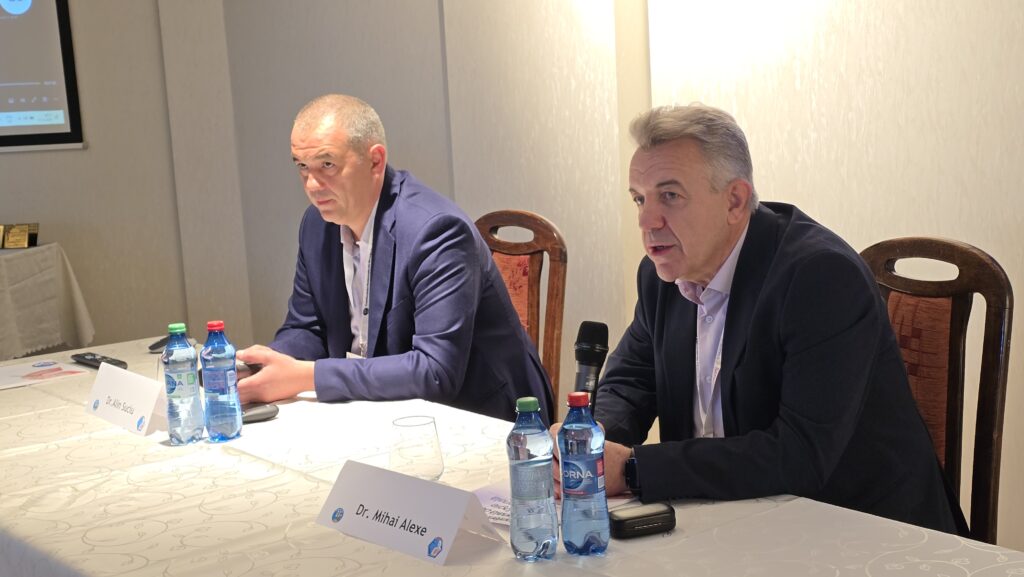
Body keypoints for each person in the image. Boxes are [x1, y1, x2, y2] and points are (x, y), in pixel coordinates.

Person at [553, 103, 965, 534]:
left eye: (670, 196)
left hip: (858, 530)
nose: (646, 221)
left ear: (734, 200)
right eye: (640, 198)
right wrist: (590, 440)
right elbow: (631, 382)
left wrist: (633, 468)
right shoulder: (662, 276)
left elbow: (799, 455)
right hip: (728, 520)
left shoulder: (820, 277)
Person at [237, 94, 553, 424]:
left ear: (375, 161)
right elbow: (307, 328)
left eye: (327, 165)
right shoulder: (316, 226)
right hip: (384, 409)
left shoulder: (436, 231)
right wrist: (264, 365)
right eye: (302, 167)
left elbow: (435, 371)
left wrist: (307, 376)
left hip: (486, 418)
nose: (312, 185)